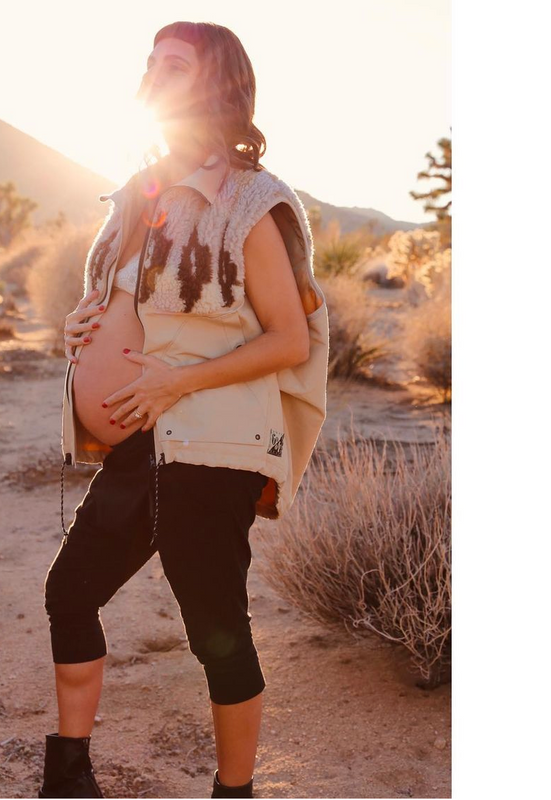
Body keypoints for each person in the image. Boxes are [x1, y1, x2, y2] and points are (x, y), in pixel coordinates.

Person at [40, 20, 329, 800]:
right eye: (151, 63)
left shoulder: (249, 200)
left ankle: (234, 793)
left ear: (216, 84)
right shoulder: (135, 199)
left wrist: (179, 382)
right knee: (70, 592)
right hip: (141, 442)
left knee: (214, 630)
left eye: (174, 64)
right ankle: (69, 776)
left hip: (211, 443)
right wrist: (80, 328)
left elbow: (289, 337)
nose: (154, 75)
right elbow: (122, 307)